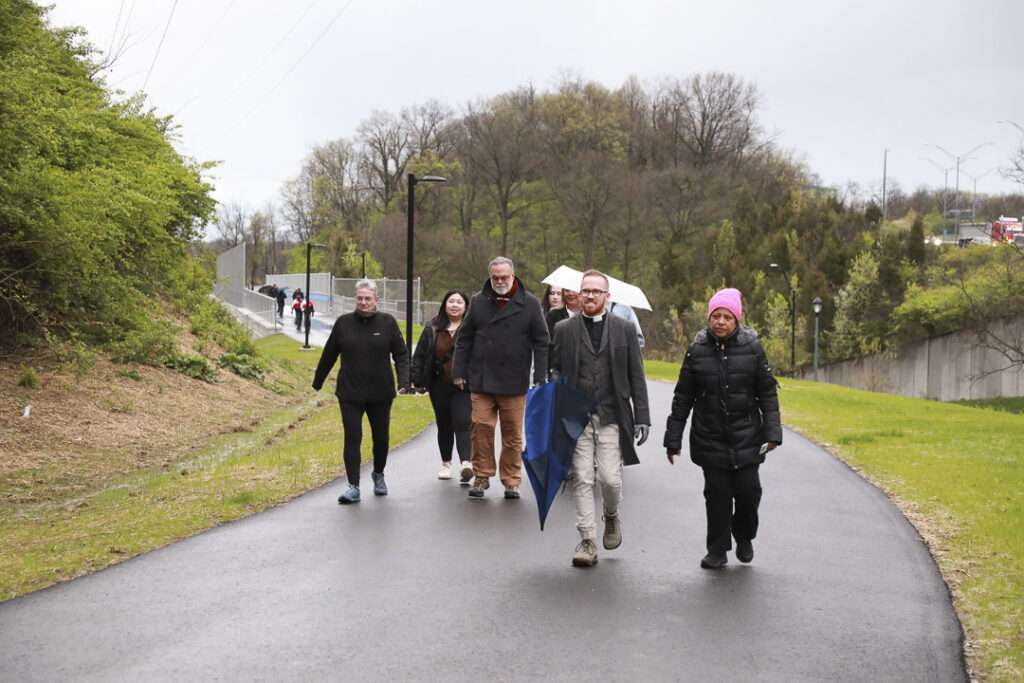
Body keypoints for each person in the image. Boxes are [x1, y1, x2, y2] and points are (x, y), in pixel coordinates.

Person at [663, 288, 782, 569]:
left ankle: (744, 536)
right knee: (717, 495)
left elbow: (767, 393)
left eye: (727, 317)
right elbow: (683, 397)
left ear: (737, 320)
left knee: (748, 492)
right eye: (716, 316)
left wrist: (772, 433)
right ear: (709, 318)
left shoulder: (752, 348)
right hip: (710, 437)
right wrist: (673, 438)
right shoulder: (697, 351)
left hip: (747, 436)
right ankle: (717, 549)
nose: (720, 322)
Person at [549, 270, 650, 568]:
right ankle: (587, 540)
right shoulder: (564, 329)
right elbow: (554, 367)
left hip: (612, 414)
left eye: (596, 291)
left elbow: (637, 374)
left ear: (608, 296)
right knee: (582, 477)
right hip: (576, 417)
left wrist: (642, 416)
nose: (590, 295)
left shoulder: (624, 329)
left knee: (609, 479)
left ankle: (611, 514)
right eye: (586, 291)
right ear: (579, 294)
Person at [453, 256, 548, 500]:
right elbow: (464, 338)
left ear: (513, 276)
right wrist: (459, 371)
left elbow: (541, 341)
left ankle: (511, 480)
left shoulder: (530, 303)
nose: (499, 281)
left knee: (512, 433)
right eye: (495, 277)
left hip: (514, 380)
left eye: (504, 277)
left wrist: (540, 375)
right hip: (482, 378)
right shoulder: (478, 301)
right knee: (481, 429)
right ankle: (482, 475)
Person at [312, 279, 410, 504]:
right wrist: (318, 381)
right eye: (360, 298)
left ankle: (379, 474)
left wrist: (404, 381)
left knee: (381, 438)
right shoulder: (343, 323)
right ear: (355, 299)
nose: (364, 302)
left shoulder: (387, 323)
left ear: (376, 300)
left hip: (380, 392)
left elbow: (401, 354)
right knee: (352, 437)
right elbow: (329, 354)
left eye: (368, 299)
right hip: (350, 392)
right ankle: (353, 486)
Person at [412, 290, 473, 483]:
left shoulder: (471, 328)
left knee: (463, 421)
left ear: (466, 307)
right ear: (445, 305)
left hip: (463, 385)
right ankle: (446, 464)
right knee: (444, 424)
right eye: (451, 301)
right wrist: (417, 380)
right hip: (438, 384)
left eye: (459, 302)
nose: (455, 305)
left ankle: (466, 463)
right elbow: (420, 354)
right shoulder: (432, 327)